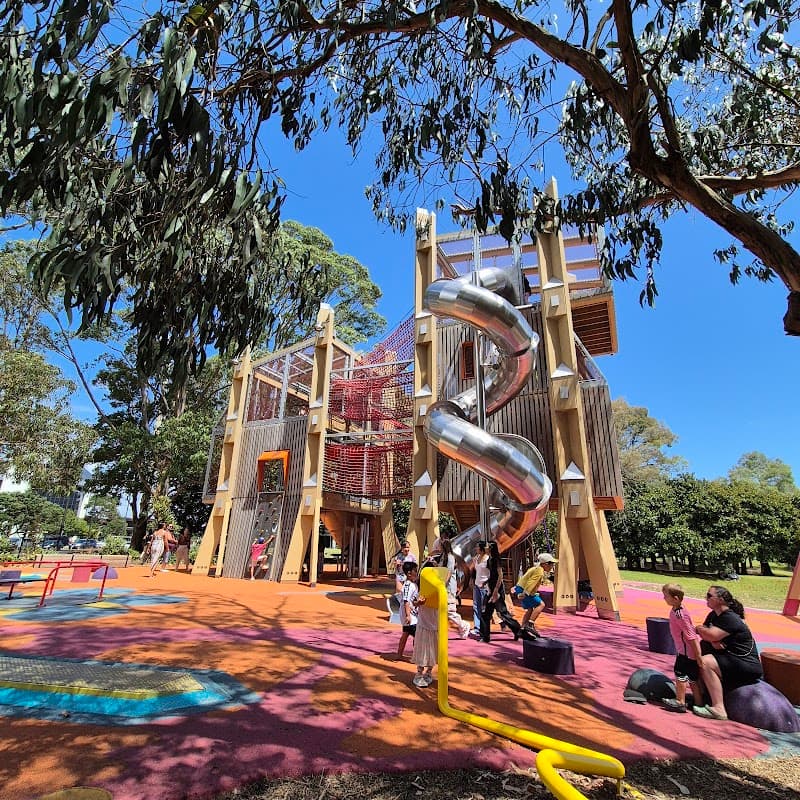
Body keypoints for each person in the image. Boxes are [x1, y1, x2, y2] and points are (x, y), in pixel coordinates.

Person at [693, 585, 762, 721]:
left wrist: (701, 630)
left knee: (706, 662)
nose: (705, 598)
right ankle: (701, 697)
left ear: (720, 599)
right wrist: (708, 635)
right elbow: (707, 635)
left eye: (709, 596)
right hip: (729, 658)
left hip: (746, 664)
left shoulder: (730, 618)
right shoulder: (714, 615)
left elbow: (710, 635)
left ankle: (719, 709)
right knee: (695, 656)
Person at [660, 583, 704, 713]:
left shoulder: (680, 614)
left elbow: (691, 635)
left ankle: (680, 701)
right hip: (687, 651)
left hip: (686, 652)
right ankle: (699, 703)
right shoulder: (677, 610)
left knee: (680, 674)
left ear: (676, 598)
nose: (664, 599)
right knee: (692, 678)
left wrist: (698, 655)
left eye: (666, 596)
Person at [479, 541, 523, 643]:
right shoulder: (489, 559)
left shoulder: (496, 560)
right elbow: (492, 576)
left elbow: (500, 576)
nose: (485, 548)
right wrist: (486, 582)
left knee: (503, 613)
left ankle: (517, 630)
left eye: (486, 546)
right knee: (485, 613)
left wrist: (495, 591)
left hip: (496, 590)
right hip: (491, 589)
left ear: (490, 548)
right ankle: (485, 637)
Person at [512, 552, 557, 637]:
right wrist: (525, 593)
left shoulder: (536, 568)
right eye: (551, 564)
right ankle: (530, 624)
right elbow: (531, 583)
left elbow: (526, 579)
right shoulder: (539, 571)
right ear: (545, 564)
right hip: (524, 590)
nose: (552, 567)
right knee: (541, 604)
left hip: (521, 588)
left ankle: (522, 629)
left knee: (530, 609)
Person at [412, 564, 438, 687]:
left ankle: (429, 672)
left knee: (434, 650)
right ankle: (419, 674)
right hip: (424, 624)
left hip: (436, 624)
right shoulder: (421, 590)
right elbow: (414, 602)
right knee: (423, 650)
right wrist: (419, 602)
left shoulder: (439, 588)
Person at [439, 538, 471, 639]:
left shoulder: (450, 558)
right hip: (444, 587)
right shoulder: (444, 557)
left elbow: (448, 572)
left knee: (450, 610)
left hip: (448, 588)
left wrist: (442, 584)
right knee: (442, 610)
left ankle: (463, 625)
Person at [397, 561, 421, 658]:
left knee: (406, 633)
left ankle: (399, 653)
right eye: (415, 570)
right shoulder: (408, 586)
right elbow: (406, 601)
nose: (417, 572)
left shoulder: (413, 585)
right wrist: (408, 615)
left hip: (412, 614)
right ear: (409, 573)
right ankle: (416, 655)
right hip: (409, 615)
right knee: (417, 634)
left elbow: (412, 600)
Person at [471, 540, 490, 635]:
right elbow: (476, 570)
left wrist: (486, 582)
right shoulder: (477, 558)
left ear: (482, 549)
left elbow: (491, 574)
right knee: (476, 606)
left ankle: (484, 628)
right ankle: (477, 627)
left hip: (484, 586)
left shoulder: (487, 559)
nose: (476, 548)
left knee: (484, 608)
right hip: (477, 585)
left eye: (477, 547)